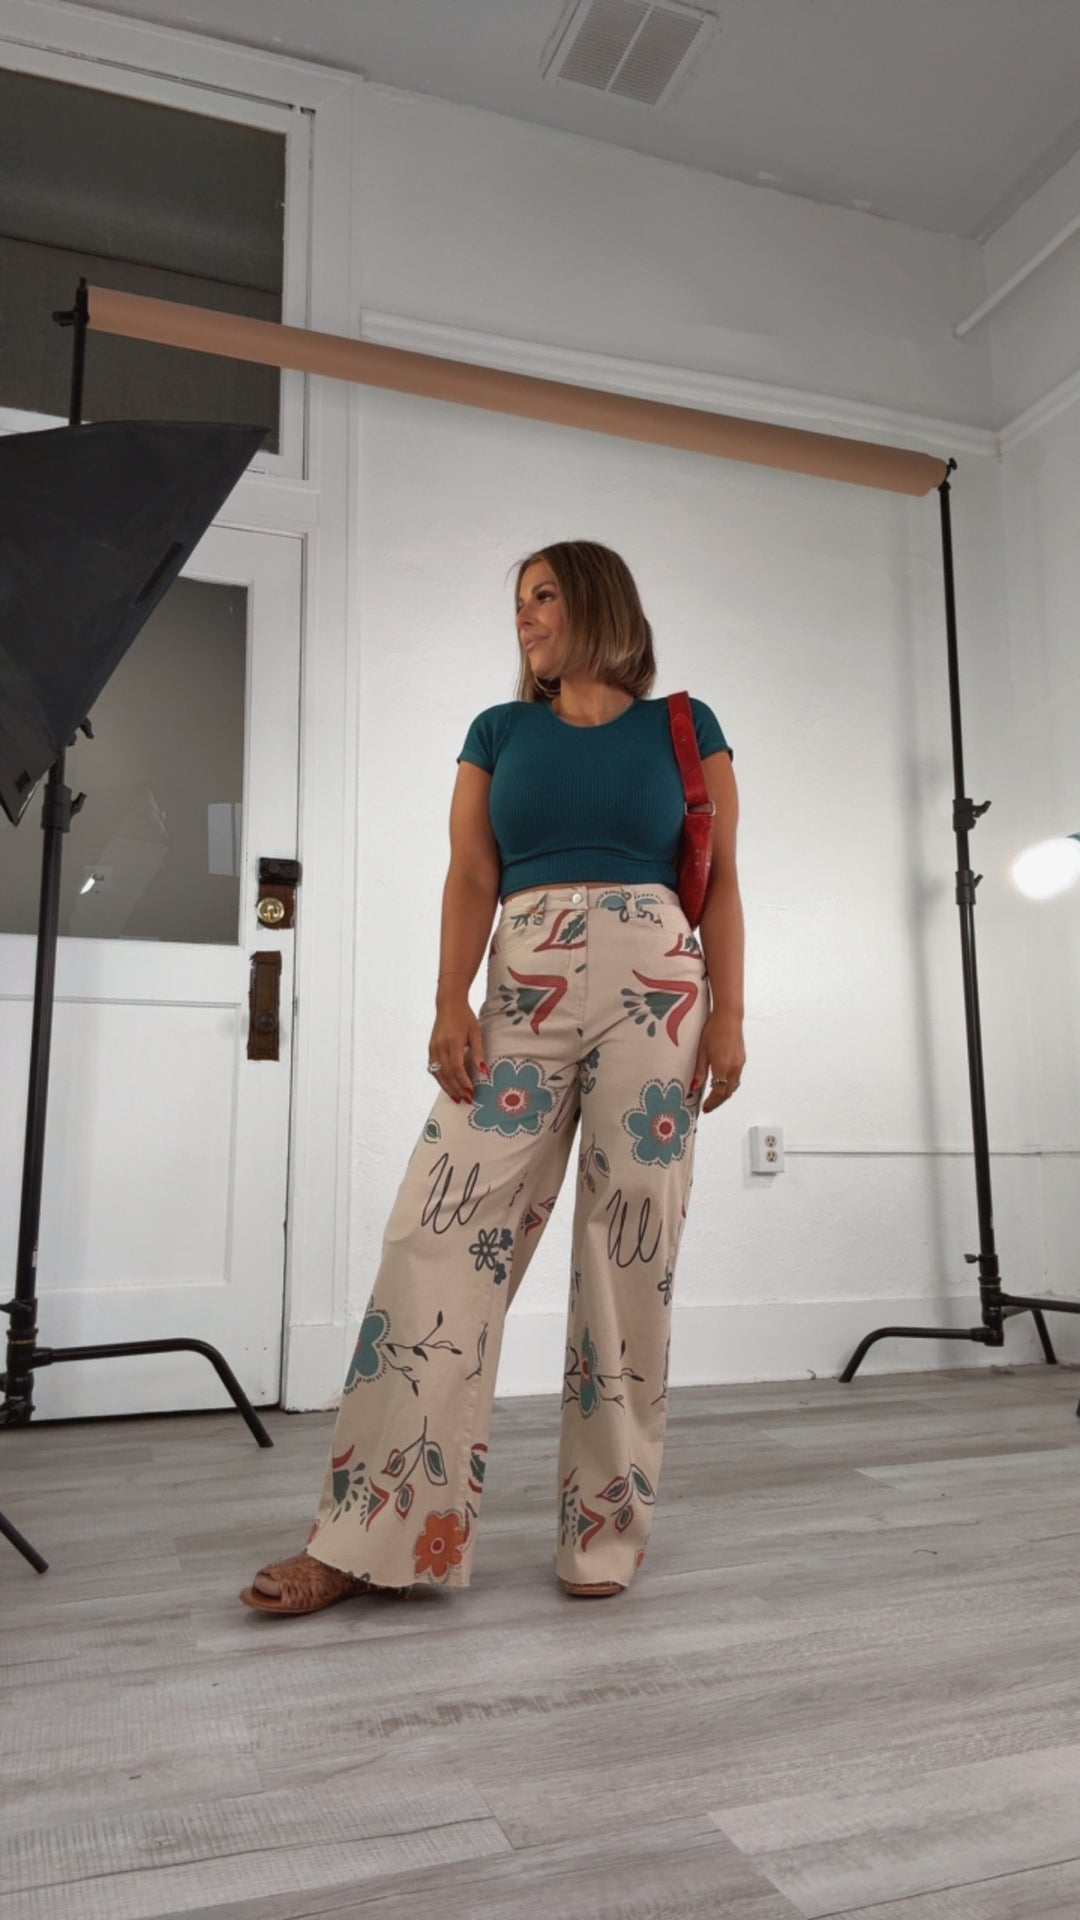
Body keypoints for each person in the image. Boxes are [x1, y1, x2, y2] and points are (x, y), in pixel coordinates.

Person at [241, 539, 744, 1614]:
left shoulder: (685, 726)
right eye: (519, 600)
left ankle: (601, 1537)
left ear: (598, 601)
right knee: (435, 1231)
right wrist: (448, 998)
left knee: (628, 1252)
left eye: (544, 595)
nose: (525, 615)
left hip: (659, 989)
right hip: (523, 988)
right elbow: (471, 872)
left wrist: (733, 1017)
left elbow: (725, 881)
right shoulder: (500, 732)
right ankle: (367, 1539)